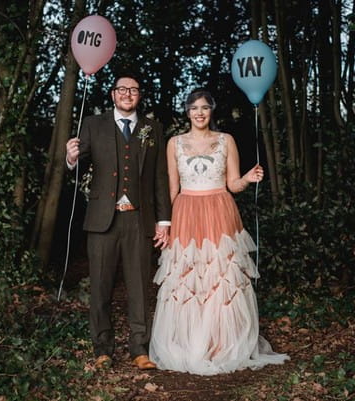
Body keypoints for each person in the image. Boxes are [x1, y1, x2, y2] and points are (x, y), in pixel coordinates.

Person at [149, 89, 289, 375]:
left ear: (211, 111)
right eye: (193, 108)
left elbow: (233, 184)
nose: (199, 113)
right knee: (188, 276)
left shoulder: (226, 140)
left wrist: (248, 178)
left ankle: (221, 343)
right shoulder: (174, 143)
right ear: (187, 112)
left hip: (219, 209)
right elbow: (172, 189)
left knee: (221, 275)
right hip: (186, 211)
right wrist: (164, 223)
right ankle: (187, 342)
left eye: (204, 108)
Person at [65, 74, 171, 370]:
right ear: (113, 94)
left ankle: (140, 348)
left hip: (139, 219)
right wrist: (71, 158)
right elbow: (77, 164)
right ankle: (103, 349)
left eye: (134, 90)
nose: (128, 94)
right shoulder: (93, 124)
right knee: (100, 287)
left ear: (139, 95)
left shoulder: (153, 129)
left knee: (139, 286)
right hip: (102, 220)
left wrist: (164, 220)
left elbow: (159, 176)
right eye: (122, 89)